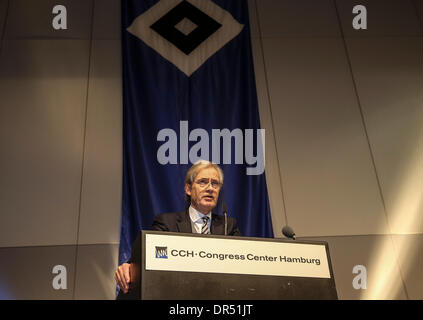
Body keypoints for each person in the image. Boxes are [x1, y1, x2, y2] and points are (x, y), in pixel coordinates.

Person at [114, 160, 241, 295]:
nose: (210, 188)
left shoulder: (228, 226)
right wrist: (129, 267)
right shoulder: (167, 223)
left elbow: (242, 264)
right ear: (188, 189)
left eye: (215, 183)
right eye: (203, 182)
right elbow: (146, 258)